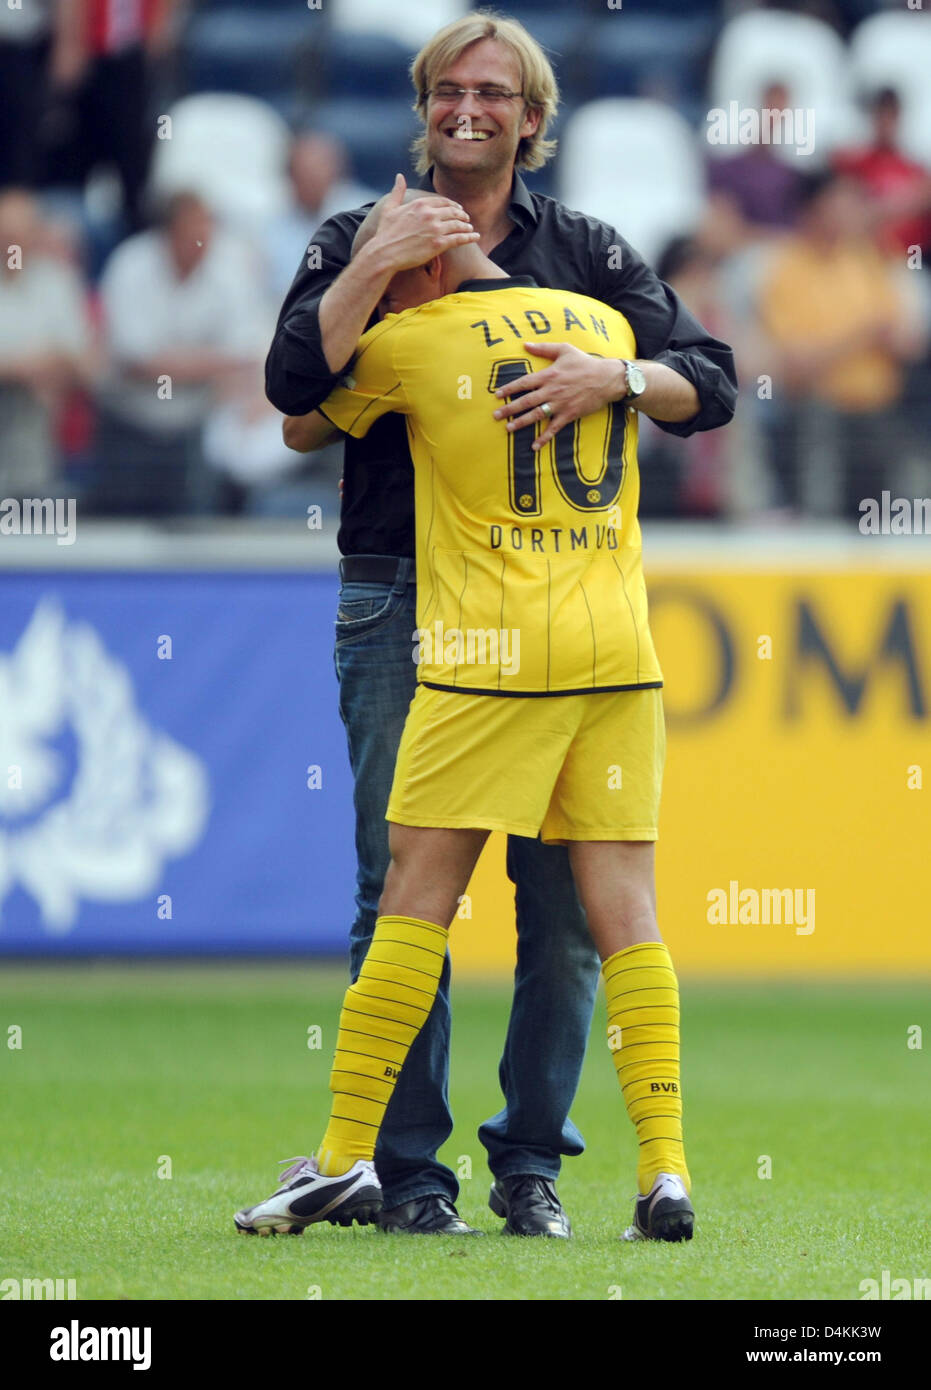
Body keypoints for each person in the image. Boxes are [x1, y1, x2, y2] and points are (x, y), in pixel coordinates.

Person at [261, 11, 736, 1239]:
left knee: (538, 910)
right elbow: (291, 386)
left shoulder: (586, 251)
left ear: (532, 118)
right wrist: (374, 261)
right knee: (405, 890)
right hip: (408, 591)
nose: (465, 110)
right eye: (444, 91)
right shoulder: (360, 237)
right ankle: (408, 1174)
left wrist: (618, 375)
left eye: (492, 93)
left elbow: (713, 378)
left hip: (506, 622)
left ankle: (522, 1162)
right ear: (421, 107)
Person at [91, 191, 271, 515]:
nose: (201, 240)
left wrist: (174, 362)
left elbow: (245, 357)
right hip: (128, 423)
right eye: (192, 230)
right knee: (119, 530)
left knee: (195, 529)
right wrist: (212, 363)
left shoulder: (229, 270)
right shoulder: (131, 264)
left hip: (196, 427)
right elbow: (135, 361)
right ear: (169, 231)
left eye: (207, 229)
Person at [0, 188, 95, 499]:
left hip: (38, 438)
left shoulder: (58, 282)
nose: (10, 243)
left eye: (18, 234)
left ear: (35, 235)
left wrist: (22, 368)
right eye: (5, 233)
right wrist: (27, 368)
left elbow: (82, 363)